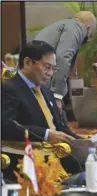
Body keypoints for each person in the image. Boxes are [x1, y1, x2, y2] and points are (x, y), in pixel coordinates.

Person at [1, 40, 81, 181]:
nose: (50, 73)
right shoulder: (9, 89)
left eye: (53, 69)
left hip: (61, 160)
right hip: (32, 165)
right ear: (28, 63)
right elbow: (6, 126)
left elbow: (61, 128)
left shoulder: (46, 91)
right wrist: (45, 134)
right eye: (47, 67)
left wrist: (86, 143)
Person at [34, 11, 97, 116]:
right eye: (89, 36)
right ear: (88, 27)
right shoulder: (77, 28)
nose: (86, 40)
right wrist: (57, 95)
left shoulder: (64, 25)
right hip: (41, 81)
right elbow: (62, 58)